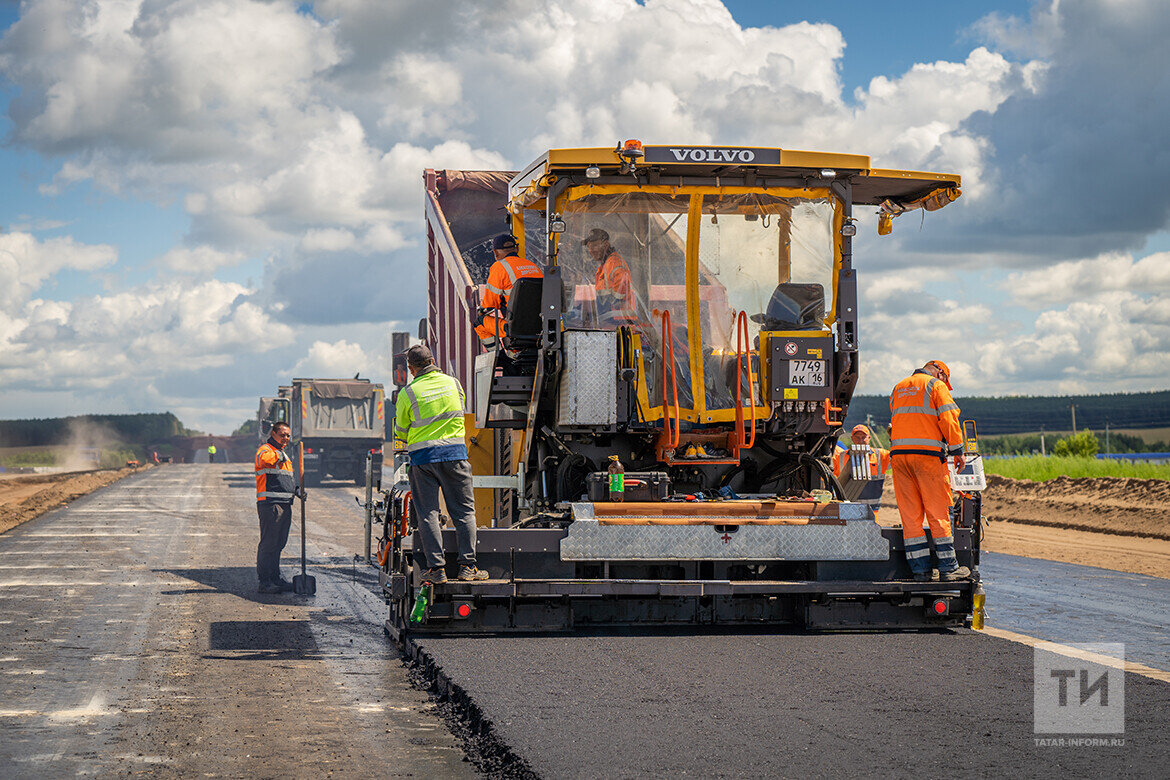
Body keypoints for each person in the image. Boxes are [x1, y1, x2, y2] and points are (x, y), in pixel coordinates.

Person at [392, 344, 488, 583]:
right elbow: (461, 409)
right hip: (455, 455)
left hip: (423, 460)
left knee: (428, 514)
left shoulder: (408, 393)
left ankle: (437, 570)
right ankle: (468, 567)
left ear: (412, 369)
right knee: (464, 512)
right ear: (433, 360)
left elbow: (401, 431)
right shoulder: (454, 384)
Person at [888, 360, 969, 582]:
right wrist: (957, 450)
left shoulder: (899, 387)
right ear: (940, 373)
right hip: (928, 458)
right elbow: (949, 419)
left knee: (911, 516)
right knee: (938, 512)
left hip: (900, 458)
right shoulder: (936, 386)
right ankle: (948, 568)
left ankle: (920, 571)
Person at [254, 422, 303, 593]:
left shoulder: (282, 454)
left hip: (284, 504)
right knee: (269, 543)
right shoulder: (266, 450)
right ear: (273, 433)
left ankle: (275, 578)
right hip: (270, 504)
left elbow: (286, 479)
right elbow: (264, 461)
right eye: (282, 435)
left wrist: (296, 490)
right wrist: (280, 455)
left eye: (288, 435)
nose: (286, 439)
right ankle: (264, 582)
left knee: (279, 543)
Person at [474, 233, 543, 349]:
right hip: (539, 328)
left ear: (495, 252)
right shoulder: (533, 266)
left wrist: (481, 312)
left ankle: (502, 360)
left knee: (479, 323)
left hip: (516, 327)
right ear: (517, 249)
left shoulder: (499, 267)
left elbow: (490, 305)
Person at [832, 424, 891, 519]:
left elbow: (898, 458)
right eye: (857, 437)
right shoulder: (841, 457)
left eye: (863, 437)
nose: (860, 440)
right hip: (849, 508)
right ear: (852, 438)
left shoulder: (880, 455)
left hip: (872, 509)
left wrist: (893, 438)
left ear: (869, 438)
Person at [582, 228, 637, 325]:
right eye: (589, 247)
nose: (590, 251)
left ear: (606, 245)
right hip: (612, 320)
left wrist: (595, 309)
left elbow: (618, 297)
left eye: (594, 246)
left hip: (619, 322)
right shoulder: (606, 265)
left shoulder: (614, 263)